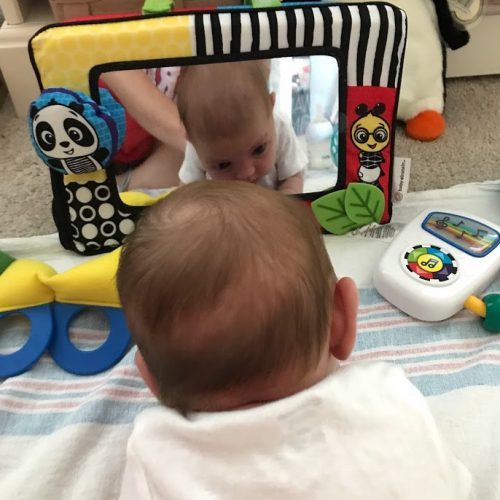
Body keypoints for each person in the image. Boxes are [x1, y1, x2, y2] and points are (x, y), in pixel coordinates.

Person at [116, 181, 471, 499]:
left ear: (150, 379)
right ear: (343, 321)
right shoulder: (390, 398)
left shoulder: (158, 451)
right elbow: (451, 486)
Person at [176, 61, 306, 194]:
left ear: (271, 105)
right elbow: (187, 193)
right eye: (223, 165)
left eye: (258, 150)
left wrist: (284, 203)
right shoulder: (199, 147)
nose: (246, 173)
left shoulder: (280, 128)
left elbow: (293, 176)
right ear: (191, 139)